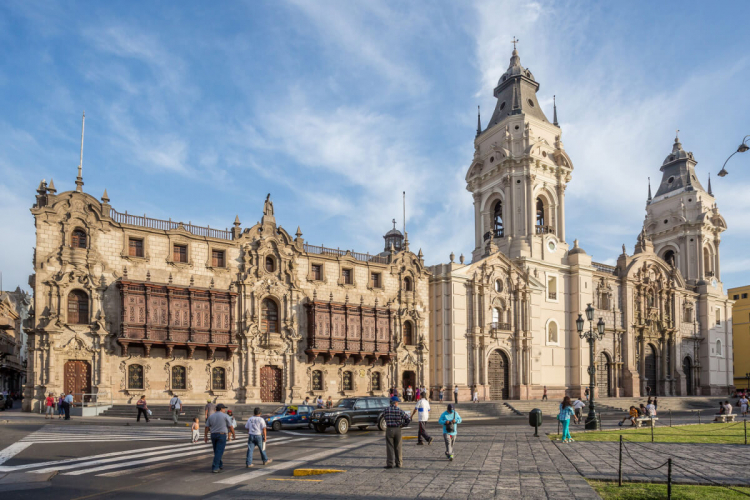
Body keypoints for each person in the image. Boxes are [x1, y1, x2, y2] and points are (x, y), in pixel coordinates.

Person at [204, 403, 235, 473]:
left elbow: (207, 427)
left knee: (216, 451)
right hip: (221, 435)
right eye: (224, 408)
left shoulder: (211, 416)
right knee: (219, 451)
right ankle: (215, 467)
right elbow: (230, 426)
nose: (224, 410)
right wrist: (233, 434)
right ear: (221, 409)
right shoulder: (225, 416)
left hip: (213, 435)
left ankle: (220, 464)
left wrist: (205, 436)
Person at [383, 396, 410, 469]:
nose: (397, 404)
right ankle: (399, 463)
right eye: (397, 402)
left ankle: (390, 463)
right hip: (398, 429)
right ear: (395, 403)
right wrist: (403, 425)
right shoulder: (399, 410)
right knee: (398, 447)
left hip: (389, 429)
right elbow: (408, 419)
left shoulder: (386, 410)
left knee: (389, 447)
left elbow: (384, 418)